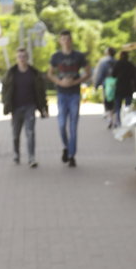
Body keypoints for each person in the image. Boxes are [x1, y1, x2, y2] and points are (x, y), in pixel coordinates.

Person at [47, 29, 90, 167]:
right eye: (63, 39)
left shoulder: (79, 56)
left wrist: (75, 82)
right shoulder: (56, 57)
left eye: (68, 39)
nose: (65, 41)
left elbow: (88, 72)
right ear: (60, 41)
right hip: (61, 94)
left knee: (73, 126)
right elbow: (50, 74)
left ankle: (72, 155)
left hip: (74, 94)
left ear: (71, 40)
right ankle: (66, 147)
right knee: (61, 124)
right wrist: (60, 82)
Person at [1, 47, 48, 167]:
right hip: (16, 108)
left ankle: (31, 157)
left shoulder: (34, 73)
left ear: (27, 58)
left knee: (30, 132)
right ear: (16, 59)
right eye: (19, 57)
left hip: (30, 107)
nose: (22, 59)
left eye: (24, 56)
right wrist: (5, 104)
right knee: (16, 134)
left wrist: (44, 107)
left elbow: (41, 92)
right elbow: (5, 90)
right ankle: (16, 154)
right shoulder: (11, 73)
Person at [112, 50, 136, 128]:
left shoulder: (117, 64)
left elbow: (113, 75)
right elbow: (134, 76)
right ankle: (127, 121)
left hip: (119, 87)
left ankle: (119, 122)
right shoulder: (130, 65)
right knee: (128, 106)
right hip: (128, 88)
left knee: (118, 106)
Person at [93, 46, 117, 124]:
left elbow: (100, 74)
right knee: (114, 100)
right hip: (116, 83)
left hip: (106, 83)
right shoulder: (117, 62)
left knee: (107, 100)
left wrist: (96, 85)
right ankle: (114, 116)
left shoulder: (103, 62)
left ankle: (110, 117)